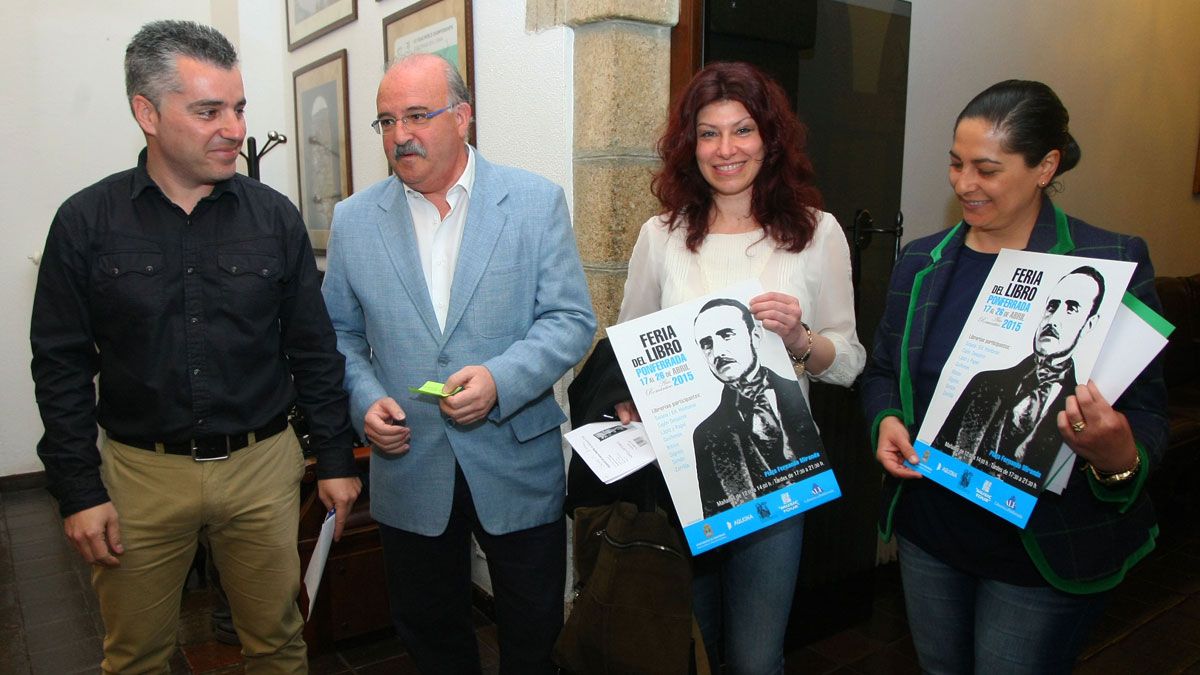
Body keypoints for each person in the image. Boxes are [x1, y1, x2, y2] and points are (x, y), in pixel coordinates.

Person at [29, 20, 361, 673]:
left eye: (238, 108)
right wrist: (78, 489)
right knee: (137, 654)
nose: (234, 128)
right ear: (146, 112)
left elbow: (314, 348)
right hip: (140, 475)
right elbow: (62, 365)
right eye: (208, 110)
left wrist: (335, 457)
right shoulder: (86, 223)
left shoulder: (273, 218)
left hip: (262, 466)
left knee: (278, 643)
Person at [863, 80, 1168, 674]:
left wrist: (1117, 454)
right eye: (955, 164)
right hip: (933, 534)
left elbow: (1149, 416)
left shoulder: (1108, 263)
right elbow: (880, 371)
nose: (964, 184)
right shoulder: (922, 261)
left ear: (1045, 166)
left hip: (1042, 550)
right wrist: (886, 419)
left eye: (987, 169)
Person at [320, 53, 595, 674]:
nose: (400, 136)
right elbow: (336, 334)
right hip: (409, 461)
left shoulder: (532, 202)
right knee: (431, 633)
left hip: (517, 460)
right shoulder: (354, 221)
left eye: (417, 115)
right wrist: (365, 401)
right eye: (386, 122)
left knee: (533, 632)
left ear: (463, 117)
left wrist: (501, 379)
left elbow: (571, 320)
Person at [615, 61, 865, 674]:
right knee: (688, 652)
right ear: (689, 145)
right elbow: (628, 344)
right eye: (708, 133)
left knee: (756, 659)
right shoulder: (662, 234)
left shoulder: (816, 233)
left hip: (780, 479)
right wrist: (632, 397)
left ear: (770, 139)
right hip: (686, 474)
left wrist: (801, 338)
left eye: (743, 130)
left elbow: (850, 360)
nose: (726, 149)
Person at [932, 266, 1105, 483]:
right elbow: (937, 456)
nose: (1053, 319)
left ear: (1089, 324)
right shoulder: (984, 382)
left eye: (1072, 309)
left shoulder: (1086, 404)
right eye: (1052, 306)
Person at [690, 298, 823, 517]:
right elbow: (715, 519)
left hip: (817, 505)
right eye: (706, 343)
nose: (718, 351)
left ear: (755, 337)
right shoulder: (705, 434)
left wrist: (800, 338)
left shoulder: (792, 396)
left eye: (726, 335)